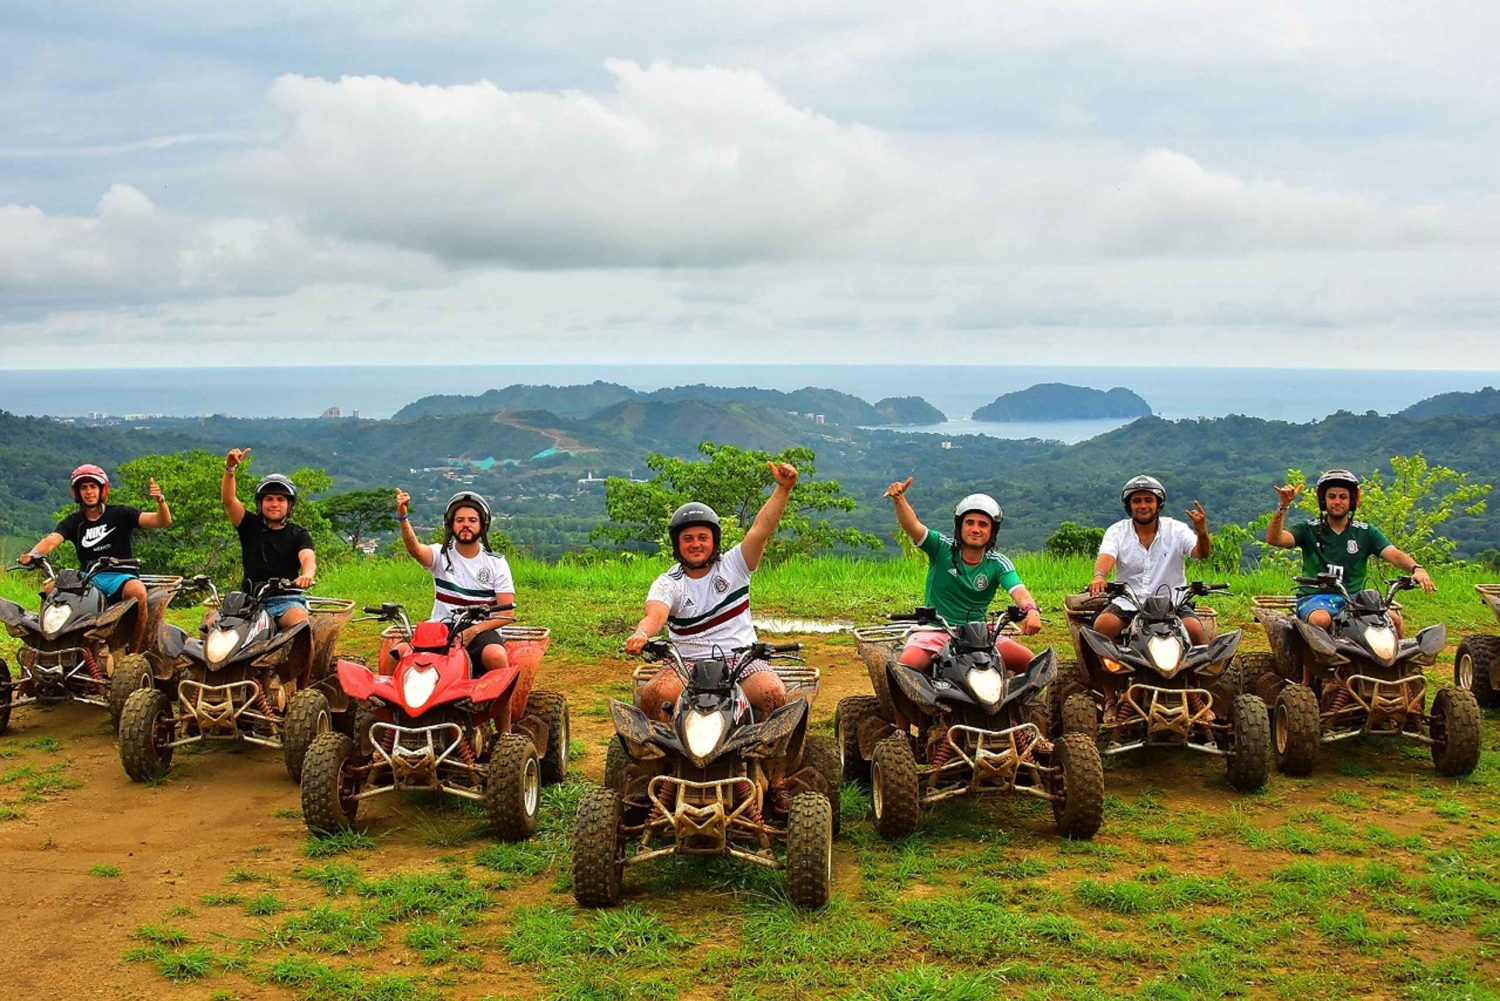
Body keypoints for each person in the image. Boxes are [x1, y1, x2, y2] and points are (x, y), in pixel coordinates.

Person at [624, 462, 800, 725]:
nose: (696, 544)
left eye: (702, 537)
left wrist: (783, 489)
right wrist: (641, 634)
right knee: (652, 696)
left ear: (714, 540)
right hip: (686, 663)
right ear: (677, 544)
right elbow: (655, 614)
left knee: (773, 694)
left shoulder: (735, 564)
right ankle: (667, 760)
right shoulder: (668, 582)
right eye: (688, 538)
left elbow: (761, 529)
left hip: (741, 659)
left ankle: (766, 759)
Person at [884, 479, 1042, 700]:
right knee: (906, 666)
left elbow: (1019, 591)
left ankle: (1021, 717)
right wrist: (899, 500)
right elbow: (913, 526)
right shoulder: (941, 548)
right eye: (970, 522)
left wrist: (1031, 609)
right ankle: (902, 731)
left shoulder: (998, 563)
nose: (975, 529)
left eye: (983, 524)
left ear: (992, 531)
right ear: (960, 526)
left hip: (979, 636)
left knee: (1030, 662)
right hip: (935, 630)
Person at [21, 464, 172, 652]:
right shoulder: (73, 522)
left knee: (138, 591)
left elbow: (161, 521)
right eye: (83, 488)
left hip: (120, 576)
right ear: (77, 492)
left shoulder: (121, 513)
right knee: (50, 588)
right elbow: (52, 540)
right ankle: (47, 645)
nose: (89, 492)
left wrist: (161, 501)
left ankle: (135, 652)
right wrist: (33, 555)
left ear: (102, 490)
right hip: (89, 577)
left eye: (93, 487)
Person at [1265, 469, 1434, 635]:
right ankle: (1320, 662)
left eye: (1343, 497)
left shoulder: (1366, 532)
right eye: (1332, 497)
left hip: (1356, 600)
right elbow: (1276, 539)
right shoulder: (1308, 529)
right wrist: (1283, 506)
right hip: (1315, 597)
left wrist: (1416, 569)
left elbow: (1393, 554)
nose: (1337, 501)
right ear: (1323, 500)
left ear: (1352, 501)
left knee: (1394, 620)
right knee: (1321, 620)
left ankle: (1398, 663)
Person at [393, 488, 515, 677]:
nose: (466, 525)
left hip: (480, 630)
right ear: (451, 525)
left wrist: (474, 630)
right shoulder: (440, 555)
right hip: (440, 627)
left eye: (472, 520)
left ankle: (504, 707)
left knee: (496, 656)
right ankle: (387, 706)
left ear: (483, 525)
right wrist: (403, 518)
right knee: (397, 653)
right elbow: (416, 550)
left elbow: (506, 613)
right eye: (460, 520)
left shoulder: (496, 562)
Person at [1088, 474, 1212, 646]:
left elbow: (1201, 553)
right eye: (1137, 501)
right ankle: (1107, 671)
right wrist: (1100, 576)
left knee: (1194, 630)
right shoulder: (1117, 531)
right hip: (1129, 603)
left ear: (1158, 504)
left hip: (1172, 604)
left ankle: (1193, 672)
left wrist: (1202, 532)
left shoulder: (1176, 529)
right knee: (1104, 626)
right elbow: (1107, 555)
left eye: (1148, 500)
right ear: (1129, 506)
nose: (1143, 505)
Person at [221, 448, 316, 628]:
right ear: (260, 503)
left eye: (281, 499)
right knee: (211, 623)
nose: (274, 504)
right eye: (269, 499)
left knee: (299, 623)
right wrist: (230, 469)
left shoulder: (298, 533)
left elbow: (308, 558)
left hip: (286, 601)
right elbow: (229, 500)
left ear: (289, 506)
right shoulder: (248, 525)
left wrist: (307, 575)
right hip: (249, 601)